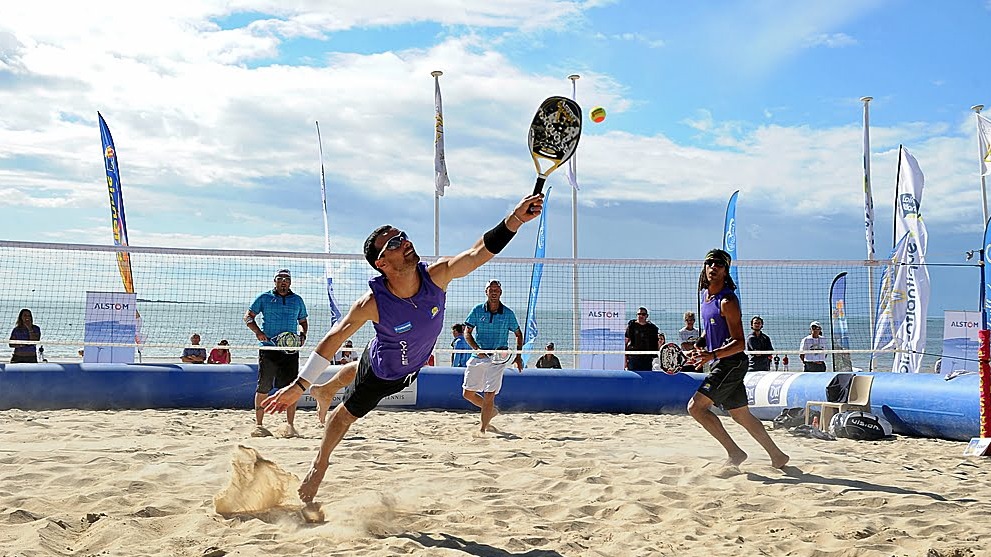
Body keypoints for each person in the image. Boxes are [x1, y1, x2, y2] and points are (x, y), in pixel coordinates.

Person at [260, 193, 543, 503]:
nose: (405, 242)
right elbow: (335, 337)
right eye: (393, 243)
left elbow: (478, 252)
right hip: (383, 373)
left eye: (403, 236)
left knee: (361, 365)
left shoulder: (437, 275)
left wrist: (515, 219)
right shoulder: (373, 303)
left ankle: (326, 389)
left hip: (401, 360)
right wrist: (300, 384)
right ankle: (318, 466)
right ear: (382, 263)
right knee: (342, 417)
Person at [685, 249, 789, 469]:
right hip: (723, 361)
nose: (714, 267)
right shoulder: (706, 298)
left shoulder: (728, 300)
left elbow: (740, 342)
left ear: (725, 271)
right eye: (710, 263)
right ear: (704, 267)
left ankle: (735, 452)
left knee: (696, 408)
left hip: (731, 362)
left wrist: (711, 355)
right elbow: (711, 331)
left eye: (719, 264)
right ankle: (778, 456)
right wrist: (700, 345)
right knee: (741, 415)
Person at [245, 268, 309, 438]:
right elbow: (248, 317)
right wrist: (258, 332)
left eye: (286, 279)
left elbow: (303, 321)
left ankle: (290, 426)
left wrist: (303, 335)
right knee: (263, 387)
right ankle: (259, 426)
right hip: (269, 348)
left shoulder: (297, 300)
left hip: (290, 350)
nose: (283, 281)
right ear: (275, 281)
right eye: (280, 278)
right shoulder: (264, 298)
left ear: (290, 282)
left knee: (291, 387)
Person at [463, 279, 524, 433]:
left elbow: (518, 334)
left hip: (498, 357)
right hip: (480, 355)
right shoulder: (477, 310)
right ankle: (491, 411)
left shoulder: (508, 313)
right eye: (491, 289)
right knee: (467, 394)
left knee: (489, 394)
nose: (494, 292)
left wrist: (518, 356)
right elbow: (467, 332)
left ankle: (483, 429)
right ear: (486, 292)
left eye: (497, 289)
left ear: (501, 292)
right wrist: (476, 348)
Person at [625, 307, 659, 371]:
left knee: (646, 377)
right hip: (633, 357)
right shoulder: (632, 326)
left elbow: (655, 343)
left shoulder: (652, 328)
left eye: (643, 314)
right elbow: (626, 342)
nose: (641, 316)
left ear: (647, 316)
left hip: (646, 358)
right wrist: (625, 358)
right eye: (639, 314)